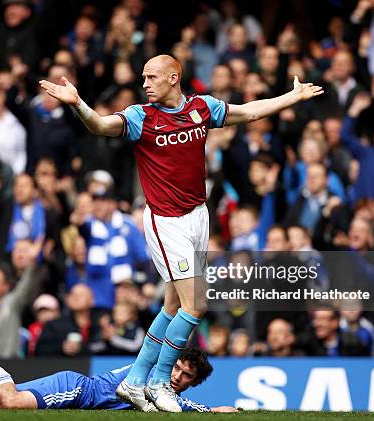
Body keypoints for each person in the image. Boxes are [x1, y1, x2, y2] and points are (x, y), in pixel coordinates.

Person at [39, 54, 322, 412]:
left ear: (173, 78)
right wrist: (78, 103)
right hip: (165, 221)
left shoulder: (202, 108)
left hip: (197, 216)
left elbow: (248, 112)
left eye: (151, 77)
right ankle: (159, 383)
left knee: (173, 305)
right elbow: (99, 126)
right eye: (143, 77)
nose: (144, 84)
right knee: (196, 305)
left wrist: (291, 97)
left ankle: (134, 381)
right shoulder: (141, 117)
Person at [0, 318, 236, 413]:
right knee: (11, 401)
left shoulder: (171, 396)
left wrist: (225, 412)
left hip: (80, 397)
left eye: (186, 376)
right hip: (79, 389)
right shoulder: (150, 371)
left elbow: (194, 410)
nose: (178, 376)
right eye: (178, 367)